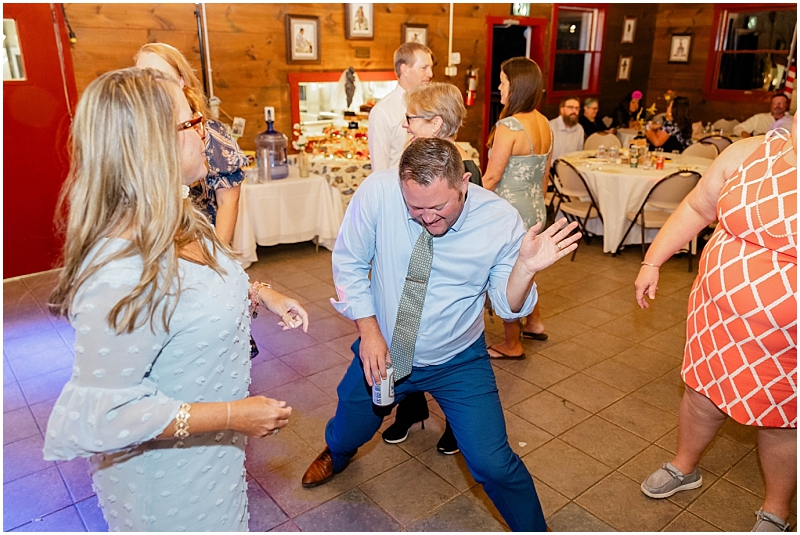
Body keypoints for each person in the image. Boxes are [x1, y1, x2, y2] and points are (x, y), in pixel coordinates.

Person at [42, 67, 309, 531]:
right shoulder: (120, 266)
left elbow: (190, 293)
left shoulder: (179, 216)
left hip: (210, 459)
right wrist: (233, 414)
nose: (205, 132)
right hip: (163, 481)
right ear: (152, 143)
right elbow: (102, 417)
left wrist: (261, 292)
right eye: (192, 123)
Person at [300, 137, 581, 532]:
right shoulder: (379, 192)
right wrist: (368, 330)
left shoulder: (499, 219)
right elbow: (348, 261)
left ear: (463, 182)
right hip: (384, 347)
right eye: (415, 208)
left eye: (438, 207)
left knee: (492, 463)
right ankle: (338, 452)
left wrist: (525, 269)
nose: (427, 218)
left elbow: (506, 306)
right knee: (350, 428)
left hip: (458, 360)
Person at [634, 118, 796, 532]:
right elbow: (696, 208)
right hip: (716, 318)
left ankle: (776, 509)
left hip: (787, 336)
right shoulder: (746, 152)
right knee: (701, 394)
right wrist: (653, 260)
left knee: (777, 419)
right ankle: (684, 466)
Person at [380, 82, 480, 456]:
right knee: (408, 339)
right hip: (410, 271)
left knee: (445, 346)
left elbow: (468, 234)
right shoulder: (415, 155)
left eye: (411, 119)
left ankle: (458, 424)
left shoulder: (462, 166)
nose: (406, 125)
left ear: (436, 123)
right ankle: (412, 407)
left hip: (444, 280)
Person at [135, 43, 245, 247]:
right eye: (142, 76)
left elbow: (227, 201)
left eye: (159, 76)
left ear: (181, 80)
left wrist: (218, 257)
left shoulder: (211, 134)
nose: (150, 85)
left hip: (203, 241)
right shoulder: (135, 133)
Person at [482, 57, 552, 359]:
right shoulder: (544, 123)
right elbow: (545, 176)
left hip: (509, 211)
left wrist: (466, 201)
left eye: (503, 81)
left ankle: (511, 343)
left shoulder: (508, 127)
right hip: (536, 207)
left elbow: (492, 177)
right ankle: (534, 322)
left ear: (517, 86)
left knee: (509, 274)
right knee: (527, 267)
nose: (499, 87)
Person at [368, 42, 433, 171]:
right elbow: (379, 169)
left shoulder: (432, 105)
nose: (430, 74)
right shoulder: (382, 111)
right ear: (405, 70)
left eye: (431, 67)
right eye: (424, 68)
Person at [549, 95, 584, 161]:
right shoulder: (550, 127)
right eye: (570, 107)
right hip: (552, 168)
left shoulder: (579, 129)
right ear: (562, 109)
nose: (574, 111)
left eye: (577, 108)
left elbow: (580, 154)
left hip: (572, 168)